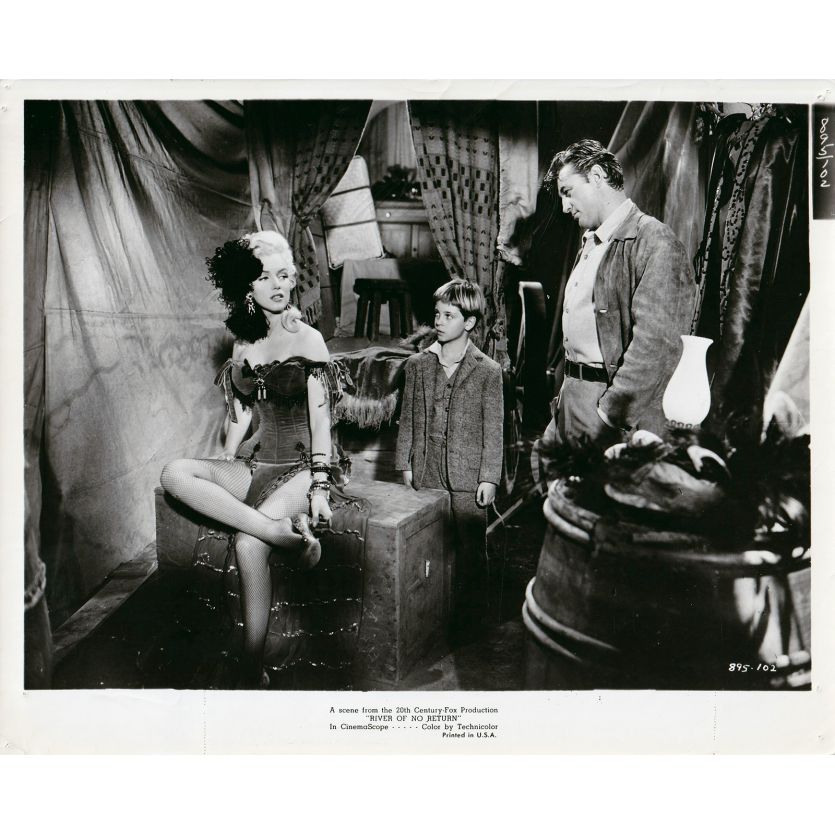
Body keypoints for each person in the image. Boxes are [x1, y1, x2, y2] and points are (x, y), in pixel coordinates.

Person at [160, 230, 351, 688]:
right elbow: (242, 410)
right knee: (174, 473)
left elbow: (321, 421)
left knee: (247, 546)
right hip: (255, 461)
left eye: (284, 275)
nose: (277, 285)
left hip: (304, 466)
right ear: (247, 286)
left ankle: (251, 666)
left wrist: (320, 487)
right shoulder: (242, 344)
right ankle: (278, 533)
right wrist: (227, 455)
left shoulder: (309, 340)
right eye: (265, 277)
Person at [536, 139, 697, 474]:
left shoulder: (655, 240)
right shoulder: (593, 241)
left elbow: (657, 345)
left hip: (609, 409)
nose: (564, 207)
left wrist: (608, 414)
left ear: (596, 176)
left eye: (568, 192)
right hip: (573, 398)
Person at [395, 279, 504, 644]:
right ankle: (429, 625)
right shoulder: (417, 365)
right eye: (437, 314)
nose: (439, 322)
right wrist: (405, 464)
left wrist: (489, 477)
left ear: (469, 322)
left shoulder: (488, 371)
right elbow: (407, 420)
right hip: (427, 473)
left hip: (469, 480)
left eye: (449, 315)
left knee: (471, 552)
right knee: (428, 550)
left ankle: (474, 628)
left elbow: (494, 429)